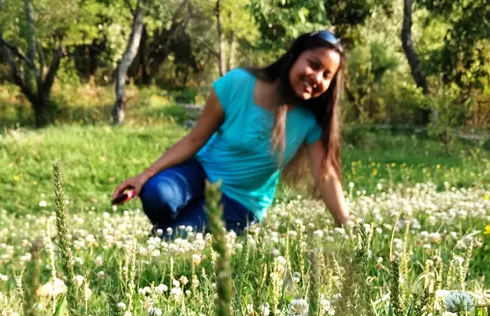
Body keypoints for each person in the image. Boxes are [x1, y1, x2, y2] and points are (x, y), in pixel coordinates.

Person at [111, 30, 350, 235]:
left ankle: (178, 227)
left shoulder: (310, 122)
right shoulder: (237, 83)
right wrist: (145, 176)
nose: (317, 77)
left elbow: (326, 175)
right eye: (314, 65)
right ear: (294, 56)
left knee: (175, 237)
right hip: (199, 172)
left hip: (239, 201)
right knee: (157, 195)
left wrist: (347, 225)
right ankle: (185, 217)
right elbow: (194, 140)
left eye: (326, 75)